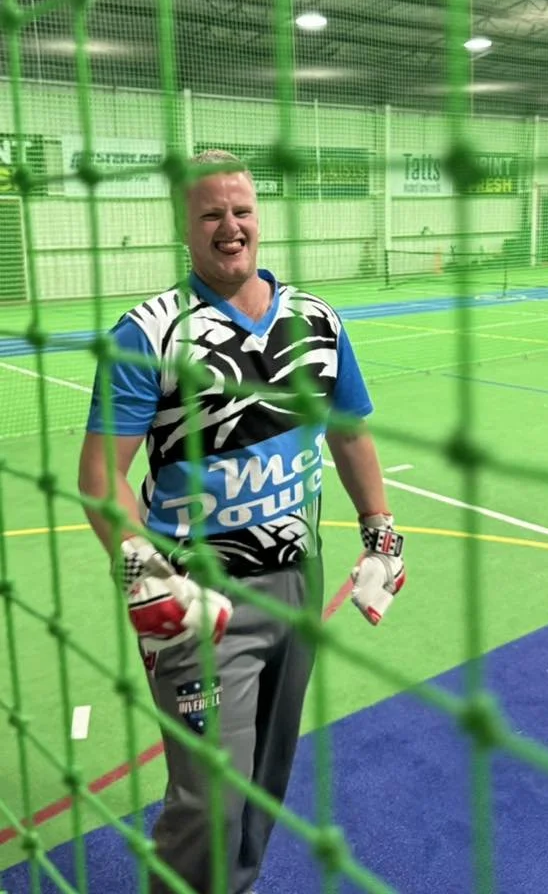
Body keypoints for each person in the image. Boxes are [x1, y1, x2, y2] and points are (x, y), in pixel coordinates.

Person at [78, 149, 406, 894]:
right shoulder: (149, 333)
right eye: (211, 214)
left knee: (263, 779)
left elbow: (350, 432)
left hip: (298, 578)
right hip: (196, 599)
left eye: (242, 210)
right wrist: (142, 569)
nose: (231, 226)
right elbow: (102, 477)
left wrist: (379, 531)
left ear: (259, 216)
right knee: (211, 799)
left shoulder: (317, 321)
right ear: (184, 228)